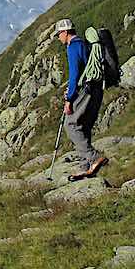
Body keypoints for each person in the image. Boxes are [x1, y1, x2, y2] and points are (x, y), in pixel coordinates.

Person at [54, 18, 108, 181]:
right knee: (84, 125)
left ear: (65, 32)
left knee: (71, 124)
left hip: (86, 89)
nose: (58, 38)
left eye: (58, 34)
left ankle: (93, 157)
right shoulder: (84, 45)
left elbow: (74, 74)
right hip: (97, 88)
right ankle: (87, 167)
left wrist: (69, 99)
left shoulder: (73, 47)